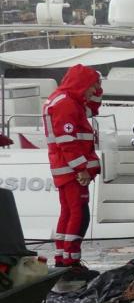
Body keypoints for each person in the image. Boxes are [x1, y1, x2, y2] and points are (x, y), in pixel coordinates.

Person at [43, 64, 103, 277]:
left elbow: (92, 109)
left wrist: (97, 89)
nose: (92, 91)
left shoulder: (66, 100)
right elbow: (67, 141)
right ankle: (71, 261)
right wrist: (82, 169)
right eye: (90, 86)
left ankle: (63, 258)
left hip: (64, 168)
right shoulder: (66, 104)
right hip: (71, 169)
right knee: (79, 214)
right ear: (81, 84)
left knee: (69, 212)